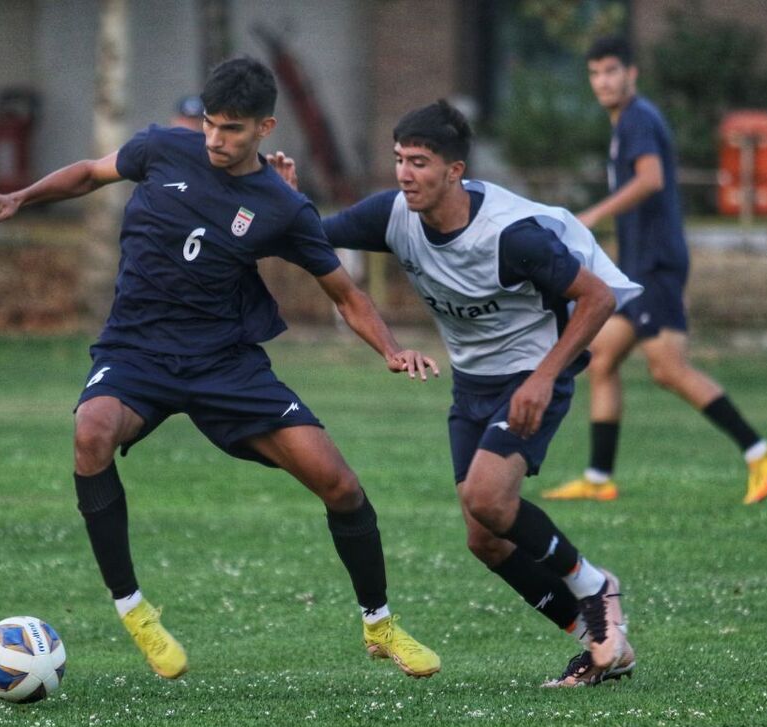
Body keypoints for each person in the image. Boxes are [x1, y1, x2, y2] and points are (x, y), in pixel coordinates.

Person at [0, 57, 441, 681]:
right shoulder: (164, 149)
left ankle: (380, 625)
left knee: (342, 486)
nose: (217, 140)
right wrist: (21, 196)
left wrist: (389, 348)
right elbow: (88, 173)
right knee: (91, 433)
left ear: (265, 128)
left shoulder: (281, 207)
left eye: (234, 130)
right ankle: (134, 610)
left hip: (225, 364)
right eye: (212, 126)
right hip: (136, 350)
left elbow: (347, 296)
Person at [270, 99, 641, 686]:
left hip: (530, 376)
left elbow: (595, 298)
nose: (404, 174)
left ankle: (597, 588)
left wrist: (545, 377)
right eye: (398, 159)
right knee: (485, 539)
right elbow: (306, 238)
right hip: (471, 386)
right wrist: (286, 203)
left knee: (490, 500)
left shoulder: (510, 236)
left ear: (454, 171)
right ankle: (600, 642)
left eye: (419, 161)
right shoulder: (393, 216)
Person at [543, 35, 767, 506]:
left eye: (611, 71)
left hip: (654, 267)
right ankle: (598, 478)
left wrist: (592, 216)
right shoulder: (627, 123)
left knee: (669, 369)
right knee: (601, 358)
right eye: (594, 73)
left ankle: (761, 451)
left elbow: (651, 180)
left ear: (632, 74)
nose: (603, 81)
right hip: (637, 267)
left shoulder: (638, 118)